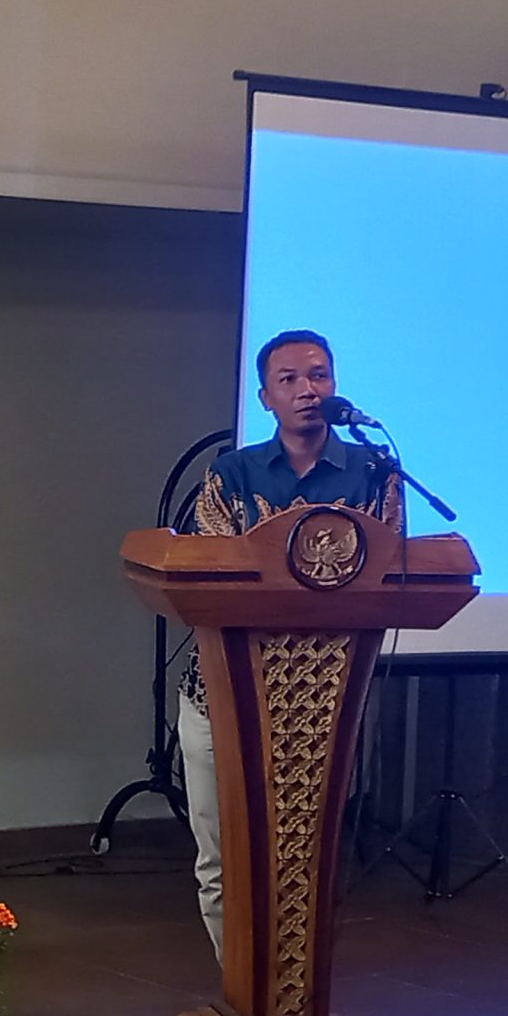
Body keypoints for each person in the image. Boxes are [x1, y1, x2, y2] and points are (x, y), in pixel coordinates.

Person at [178, 329, 401, 959]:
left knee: (304, 862)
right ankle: (242, 995)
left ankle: (294, 994)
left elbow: (389, 575)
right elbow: (214, 576)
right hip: (223, 693)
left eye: (319, 375)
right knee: (222, 857)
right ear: (265, 398)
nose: (308, 390)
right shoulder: (232, 474)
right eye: (290, 380)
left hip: (320, 702)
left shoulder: (374, 474)